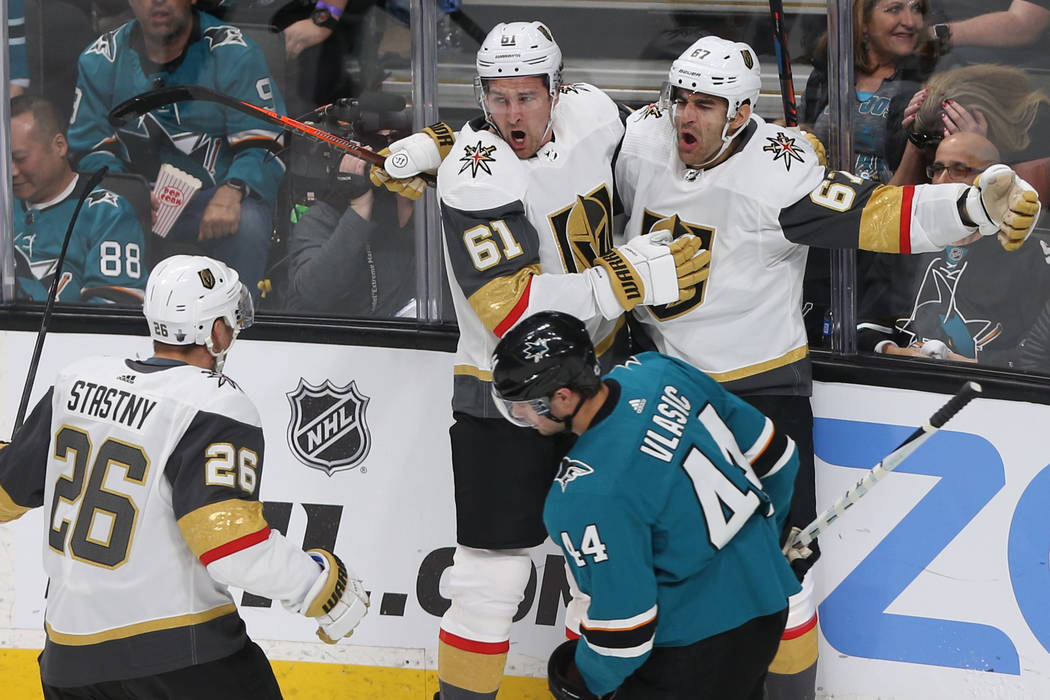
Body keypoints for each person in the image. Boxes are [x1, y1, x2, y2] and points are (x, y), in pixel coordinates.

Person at [614, 34, 1041, 700]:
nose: (687, 116)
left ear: (740, 110)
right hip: (662, 390)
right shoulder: (641, 142)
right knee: (655, 559)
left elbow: (873, 213)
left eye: (706, 104)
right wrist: (445, 155)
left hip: (757, 395)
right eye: (682, 99)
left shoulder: (779, 168)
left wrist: (969, 209)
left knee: (787, 571)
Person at [372, 20, 707, 700]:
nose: (510, 114)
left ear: (558, 90)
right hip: (509, 392)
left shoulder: (593, 112)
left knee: (608, 566)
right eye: (495, 98)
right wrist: (622, 279)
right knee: (487, 581)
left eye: (526, 97)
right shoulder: (475, 176)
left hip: (603, 380)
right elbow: (509, 308)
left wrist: (437, 138)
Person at [0, 254, 369, 699]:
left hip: (67, 664)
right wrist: (319, 585)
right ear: (216, 332)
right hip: (178, 662)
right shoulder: (212, 404)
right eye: (230, 322)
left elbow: (6, 494)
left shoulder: (74, 381)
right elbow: (231, 546)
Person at [489, 310, 802, 700]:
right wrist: (767, 543)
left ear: (563, 397)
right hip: (767, 605)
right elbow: (779, 458)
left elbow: (625, 631)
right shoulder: (658, 372)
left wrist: (583, 680)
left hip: (694, 644)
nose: (519, 414)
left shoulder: (583, 494)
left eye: (525, 404)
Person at [67, 0, 288, 299]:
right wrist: (130, 195)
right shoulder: (100, 60)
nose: (158, 1)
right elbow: (88, 150)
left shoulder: (233, 52)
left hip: (213, 201)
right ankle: (113, 324)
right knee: (83, 212)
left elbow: (266, 142)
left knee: (248, 221)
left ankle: (236, 329)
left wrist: (235, 188)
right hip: (133, 206)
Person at [860, 132, 1050, 366]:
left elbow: (1037, 352)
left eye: (958, 170)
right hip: (900, 385)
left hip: (990, 394)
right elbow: (863, 325)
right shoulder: (905, 243)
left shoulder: (1026, 256)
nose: (941, 181)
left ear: (993, 179)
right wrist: (897, 353)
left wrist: (969, 364)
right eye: (937, 169)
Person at [11, 94, 147, 305]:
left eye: (20, 159)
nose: (11, 171)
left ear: (59, 146)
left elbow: (112, 313)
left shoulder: (108, 213)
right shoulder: (5, 206)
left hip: (71, 335)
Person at [801, 0, 937, 183]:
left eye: (916, 9)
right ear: (863, 21)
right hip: (823, 200)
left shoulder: (929, 81)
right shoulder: (829, 73)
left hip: (891, 204)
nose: (910, 22)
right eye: (894, 9)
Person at [286, 152, 416, 316]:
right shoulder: (324, 217)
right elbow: (312, 295)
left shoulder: (432, 212)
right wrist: (360, 206)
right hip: (342, 337)